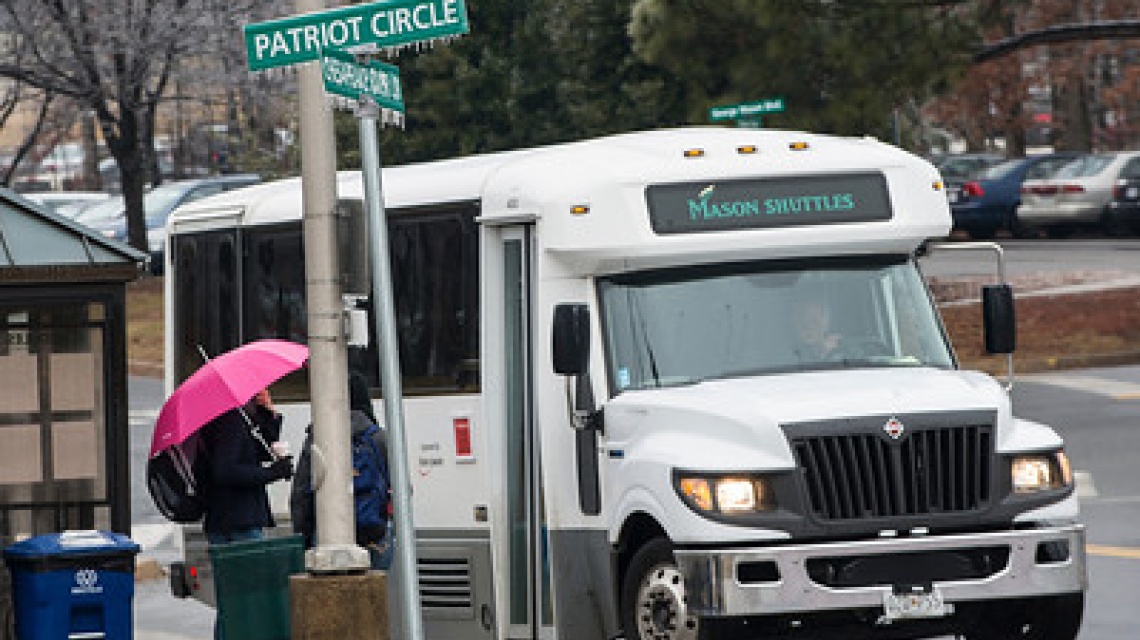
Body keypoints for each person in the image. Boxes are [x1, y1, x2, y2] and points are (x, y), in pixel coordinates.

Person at [200, 387, 293, 639]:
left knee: (235, 604)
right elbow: (225, 470)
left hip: (234, 521)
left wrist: (269, 414)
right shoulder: (229, 420)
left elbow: (260, 450)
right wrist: (272, 473)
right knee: (244, 603)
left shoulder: (238, 416)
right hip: (236, 524)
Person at [290, 372, 393, 570]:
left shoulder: (317, 438)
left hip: (327, 535)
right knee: (374, 587)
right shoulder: (379, 438)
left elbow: (301, 492)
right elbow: (401, 489)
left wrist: (303, 535)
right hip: (375, 533)